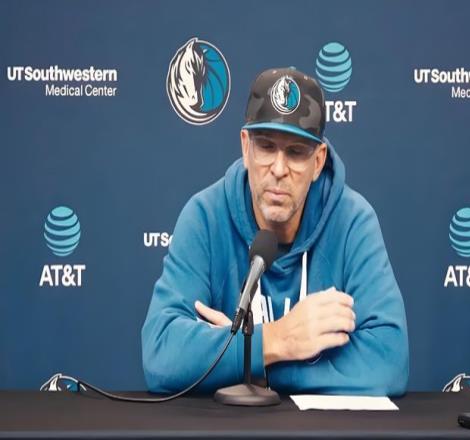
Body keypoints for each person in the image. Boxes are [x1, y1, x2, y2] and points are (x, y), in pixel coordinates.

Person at [141, 67, 409, 396]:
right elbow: (162, 354)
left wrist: (252, 363)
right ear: (246, 147)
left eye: (296, 152)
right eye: (267, 147)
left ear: (318, 161)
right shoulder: (205, 216)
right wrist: (279, 339)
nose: (279, 170)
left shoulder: (352, 221)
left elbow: (389, 361)